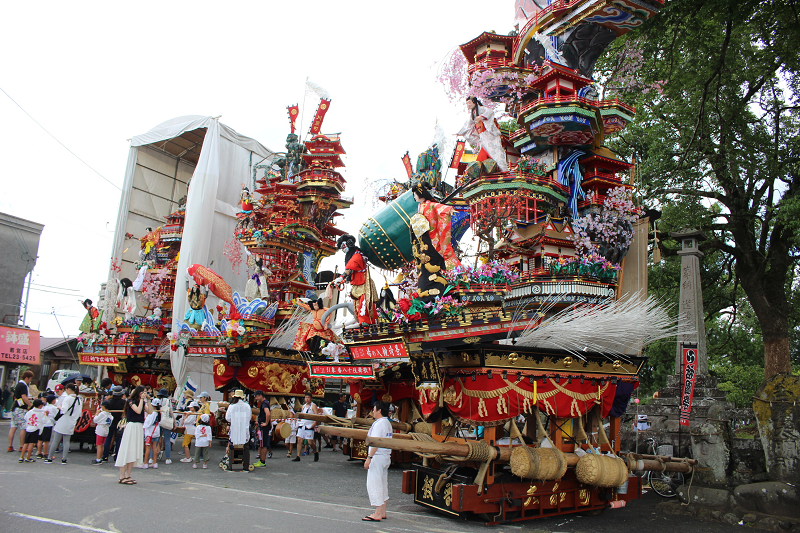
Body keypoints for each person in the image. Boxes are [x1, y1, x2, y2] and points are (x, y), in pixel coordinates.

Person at [333, 235, 378, 327]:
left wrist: (341, 277)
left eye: (343, 246)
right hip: (357, 285)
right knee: (359, 306)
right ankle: (367, 322)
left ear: (349, 243)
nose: (343, 250)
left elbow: (349, 270)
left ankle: (367, 323)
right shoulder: (355, 255)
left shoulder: (356, 256)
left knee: (364, 305)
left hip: (363, 284)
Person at [457, 96, 508, 172]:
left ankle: (503, 169)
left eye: (469, 103)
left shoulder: (482, 109)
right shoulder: (472, 115)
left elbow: (490, 112)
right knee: (484, 151)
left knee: (494, 150)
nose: (468, 105)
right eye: (467, 103)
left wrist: (481, 117)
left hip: (488, 134)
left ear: (474, 102)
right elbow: (467, 125)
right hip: (482, 136)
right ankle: (485, 171)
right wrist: (460, 132)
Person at [363, 400, 393, 522]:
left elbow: (375, 442)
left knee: (375, 483)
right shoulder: (387, 423)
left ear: (379, 411)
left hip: (377, 456)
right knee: (382, 483)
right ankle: (383, 511)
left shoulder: (379, 424)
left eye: (374, 409)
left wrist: (369, 458)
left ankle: (378, 513)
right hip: (385, 456)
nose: (373, 411)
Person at [116, 386, 151, 484]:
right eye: (143, 392)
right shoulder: (130, 401)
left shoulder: (142, 402)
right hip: (131, 426)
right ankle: (122, 476)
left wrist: (148, 400)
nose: (144, 393)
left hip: (139, 426)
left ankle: (128, 475)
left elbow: (150, 411)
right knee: (127, 449)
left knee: (133, 450)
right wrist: (142, 400)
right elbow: (138, 411)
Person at [44, 383, 82, 464]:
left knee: (56, 440)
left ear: (68, 389)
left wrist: (59, 407)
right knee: (66, 441)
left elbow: (63, 410)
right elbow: (79, 413)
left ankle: (49, 457)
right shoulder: (79, 399)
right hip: (72, 422)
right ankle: (64, 459)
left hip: (63, 421)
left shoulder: (67, 398)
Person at [8, 370, 34, 452]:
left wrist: (32, 398)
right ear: (26, 378)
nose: (30, 381)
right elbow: (24, 397)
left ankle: (10, 446)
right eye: (30, 379)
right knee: (23, 428)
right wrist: (31, 405)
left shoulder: (18, 385)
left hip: (14, 408)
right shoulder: (23, 385)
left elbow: (19, 397)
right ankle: (22, 446)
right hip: (21, 409)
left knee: (13, 427)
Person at [102, 386, 126, 462]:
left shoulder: (109, 402)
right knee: (119, 439)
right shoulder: (124, 402)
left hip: (110, 421)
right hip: (120, 422)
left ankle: (105, 456)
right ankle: (117, 456)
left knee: (108, 438)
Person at [294, 393, 319, 462]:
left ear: (311, 398)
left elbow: (317, 416)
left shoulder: (313, 406)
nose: (307, 399)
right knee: (299, 440)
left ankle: (315, 451)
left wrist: (314, 423)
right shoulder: (303, 406)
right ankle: (298, 456)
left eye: (308, 397)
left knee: (310, 442)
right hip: (302, 424)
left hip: (309, 425)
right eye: (305, 397)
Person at [142, 394, 162, 469]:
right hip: (156, 431)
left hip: (150, 432)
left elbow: (147, 423)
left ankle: (145, 463)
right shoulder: (160, 413)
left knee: (148, 448)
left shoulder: (152, 413)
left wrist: (145, 419)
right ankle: (155, 462)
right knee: (154, 447)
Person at [253, 390, 271, 467]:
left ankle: (262, 461)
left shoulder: (264, 403)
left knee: (263, 444)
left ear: (260, 395)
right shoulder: (265, 403)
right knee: (261, 443)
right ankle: (261, 460)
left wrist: (266, 423)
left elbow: (268, 413)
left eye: (256, 396)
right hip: (263, 426)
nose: (255, 398)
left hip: (264, 427)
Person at [156, 389, 174, 464]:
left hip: (157, 421)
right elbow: (171, 412)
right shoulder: (168, 401)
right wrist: (174, 422)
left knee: (155, 440)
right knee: (167, 440)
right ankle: (167, 458)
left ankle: (151, 457)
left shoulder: (156, 400)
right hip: (166, 421)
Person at [38, 394, 57, 458]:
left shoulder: (44, 407)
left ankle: (39, 453)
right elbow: (55, 416)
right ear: (52, 401)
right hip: (48, 424)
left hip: (42, 424)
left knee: (40, 439)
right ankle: (45, 453)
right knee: (46, 440)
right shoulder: (54, 408)